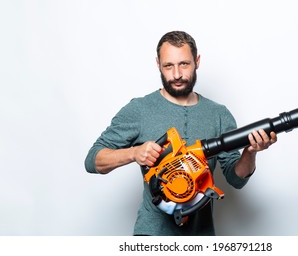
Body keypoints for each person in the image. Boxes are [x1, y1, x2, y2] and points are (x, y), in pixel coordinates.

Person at [85, 31, 277, 236]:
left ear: (197, 61)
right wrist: (134, 153)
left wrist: (251, 152)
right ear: (158, 64)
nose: (176, 74)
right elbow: (93, 161)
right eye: (168, 66)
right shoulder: (140, 110)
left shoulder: (218, 114)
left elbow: (236, 179)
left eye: (184, 64)